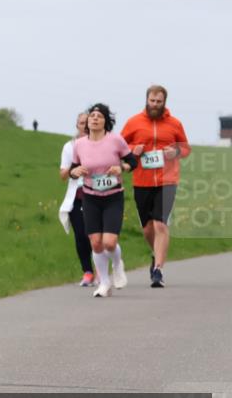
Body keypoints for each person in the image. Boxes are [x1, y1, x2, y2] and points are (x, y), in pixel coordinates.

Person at [120, 85, 190, 288]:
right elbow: (119, 147)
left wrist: (174, 151)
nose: (155, 105)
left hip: (167, 180)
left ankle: (158, 269)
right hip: (142, 180)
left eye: (159, 101)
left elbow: (186, 148)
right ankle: (155, 254)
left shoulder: (174, 124)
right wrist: (134, 149)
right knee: (148, 228)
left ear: (164, 102)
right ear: (147, 100)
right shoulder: (134, 122)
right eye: (152, 100)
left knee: (160, 224)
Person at [69, 104, 137, 297]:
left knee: (109, 242)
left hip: (113, 196)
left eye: (99, 116)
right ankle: (104, 283)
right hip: (90, 197)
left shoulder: (115, 140)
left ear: (106, 121)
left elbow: (133, 161)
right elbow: (73, 169)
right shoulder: (80, 144)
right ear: (87, 122)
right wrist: (75, 171)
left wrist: (121, 167)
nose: (95, 119)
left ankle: (117, 264)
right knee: (96, 243)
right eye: (92, 116)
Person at [58, 111, 95, 286]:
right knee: (81, 235)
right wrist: (73, 169)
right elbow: (63, 175)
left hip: (99, 193)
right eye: (82, 123)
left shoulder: (102, 144)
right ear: (77, 126)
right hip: (78, 196)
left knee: (96, 236)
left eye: (88, 123)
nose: (85, 127)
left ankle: (104, 270)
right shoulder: (69, 147)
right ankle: (87, 271)